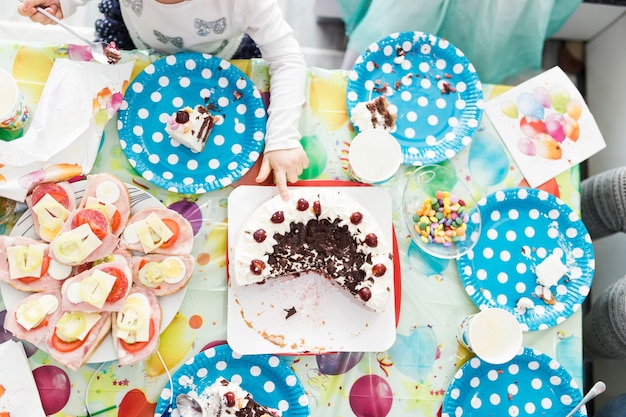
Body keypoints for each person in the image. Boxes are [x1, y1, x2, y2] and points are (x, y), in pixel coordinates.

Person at [17, 0, 309, 201]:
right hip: (137, 45)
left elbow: (286, 59)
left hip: (223, 59)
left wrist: (282, 138)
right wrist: (61, 4)